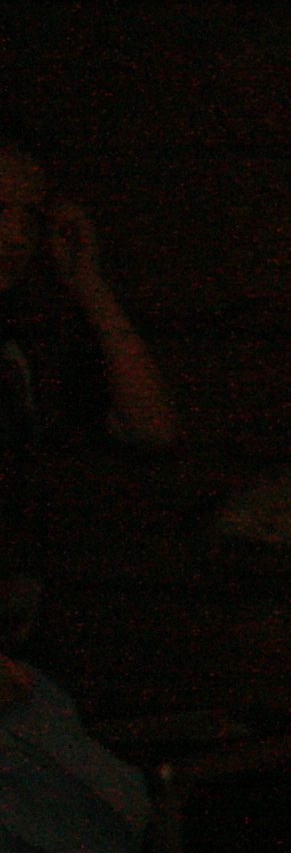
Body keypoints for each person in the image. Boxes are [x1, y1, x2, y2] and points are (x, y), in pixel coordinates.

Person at [0, 138, 180, 649]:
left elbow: (150, 426)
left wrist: (88, 284)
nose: (16, 237)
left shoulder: (24, 347)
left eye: (30, 217)